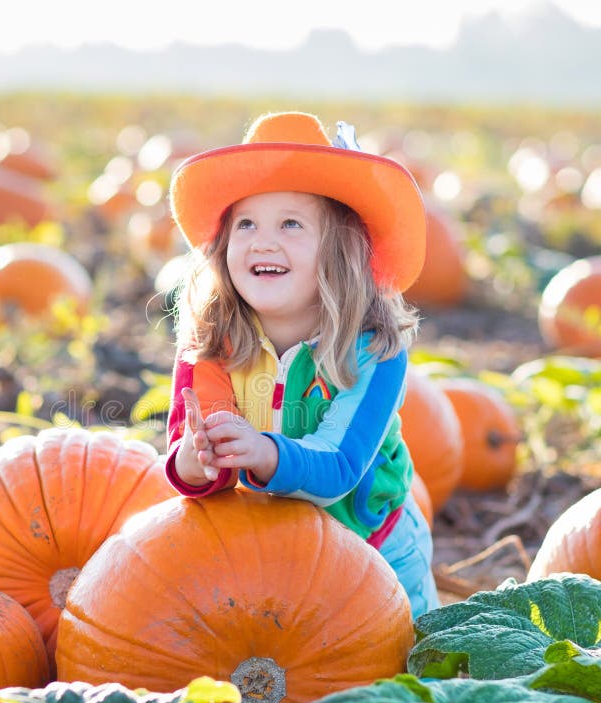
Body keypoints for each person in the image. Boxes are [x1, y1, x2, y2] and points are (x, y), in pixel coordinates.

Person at [163, 110, 439, 619]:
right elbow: (191, 459)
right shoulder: (209, 345)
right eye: (246, 223)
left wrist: (263, 452)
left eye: (290, 223)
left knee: (408, 671)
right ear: (224, 249)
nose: (263, 240)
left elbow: (338, 466)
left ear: (340, 251)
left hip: (373, 553)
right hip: (266, 554)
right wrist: (201, 458)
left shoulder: (375, 351)